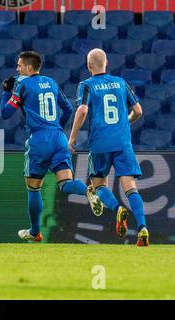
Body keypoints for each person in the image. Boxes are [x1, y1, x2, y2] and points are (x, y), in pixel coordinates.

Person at [0, 51, 103, 242]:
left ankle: (35, 232)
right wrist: (58, 128)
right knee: (65, 184)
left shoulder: (22, 84)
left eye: (20, 65)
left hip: (39, 140)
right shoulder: (51, 82)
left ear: (29, 68)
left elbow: (5, 113)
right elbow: (69, 108)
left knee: (33, 188)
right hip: (58, 137)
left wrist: (6, 90)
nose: (17, 69)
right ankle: (87, 190)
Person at [68, 48, 149, 246]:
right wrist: (125, 123)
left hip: (100, 143)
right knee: (130, 186)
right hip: (122, 142)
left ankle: (117, 208)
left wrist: (72, 138)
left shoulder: (86, 85)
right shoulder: (121, 83)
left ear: (89, 66)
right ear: (107, 63)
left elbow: (82, 110)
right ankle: (142, 228)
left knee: (99, 185)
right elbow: (138, 110)